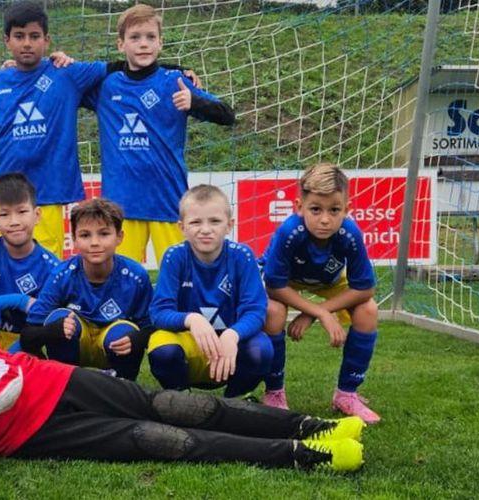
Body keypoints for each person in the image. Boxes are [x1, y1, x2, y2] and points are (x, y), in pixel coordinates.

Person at [0, 257, 365, 472]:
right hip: (24, 437)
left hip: (50, 383)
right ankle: (302, 454)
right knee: (159, 440)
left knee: (175, 406)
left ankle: (312, 425)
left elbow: (4, 379)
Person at [83, 4, 235, 265]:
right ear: (121, 44)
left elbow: (228, 115)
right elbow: (63, 87)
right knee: (121, 280)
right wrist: (19, 68)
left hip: (167, 200)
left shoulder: (175, 82)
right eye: (135, 37)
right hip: (122, 205)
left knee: (180, 277)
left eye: (150, 37)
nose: (143, 44)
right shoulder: (107, 86)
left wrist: (195, 102)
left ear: (160, 42)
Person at [0, 1, 110, 257]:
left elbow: (122, 68)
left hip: (47, 193)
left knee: (48, 266)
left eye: (34, 36)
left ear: (47, 40)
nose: (27, 43)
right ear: (7, 41)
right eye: (19, 36)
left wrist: (179, 73)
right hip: (2, 193)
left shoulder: (66, 73)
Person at [261, 163, 380, 424]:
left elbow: (364, 288)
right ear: (299, 206)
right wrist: (320, 313)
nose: (325, 219)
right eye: (315, 209)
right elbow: (274, 286)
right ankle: (274, 392)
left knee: (368, 310)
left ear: (346, 210)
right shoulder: (289, 232)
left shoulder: (350, 233)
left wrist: (315, 312)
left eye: (334, 210)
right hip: (286, 282)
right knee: (273, 311)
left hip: (329, 280)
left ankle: (346, 394)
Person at [148, 185, 272, 399]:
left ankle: (234, 402)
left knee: (260, 349)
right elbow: (158, 312)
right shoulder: (174, 257)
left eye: (214, 221)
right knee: (162, 349)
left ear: (229, 225)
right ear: (182, 227)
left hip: (230, 347)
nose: (205, 229)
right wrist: (191, 319)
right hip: (190, 344)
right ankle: (181, 400)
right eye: (196, 222)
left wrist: (233, 334)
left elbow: (255, 311)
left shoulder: (243, 256)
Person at [22, 199, 153, 381]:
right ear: (74, 239)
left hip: (112, 344)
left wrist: (137, 339)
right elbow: (28, 336)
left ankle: (122, 387)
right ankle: (66, 384)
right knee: (60, 319)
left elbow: (152, 327)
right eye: (85, 235)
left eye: (104, 234)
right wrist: (53, 330)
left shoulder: (136, 276)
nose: (94, 243)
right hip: (76, 344)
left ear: (119, 237)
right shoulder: (61, 275)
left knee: (125, 331)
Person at [0, 173, 61, 350]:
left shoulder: (51, 266)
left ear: (37, 215)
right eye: (4, 214)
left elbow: (46, 320)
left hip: (25, 346)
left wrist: (9, 357)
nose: (14, 222)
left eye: (22, 212)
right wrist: (20, 301)